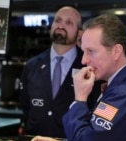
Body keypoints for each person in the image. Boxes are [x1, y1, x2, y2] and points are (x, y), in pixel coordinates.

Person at [61, 14, 126, 140]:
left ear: (116, 51)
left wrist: (80, 99)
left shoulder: (124, 94)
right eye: (83, 51)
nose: (84, 60)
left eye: (91, 51)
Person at [19, 6, 103, 139]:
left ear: (80, 33)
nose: (61, 25)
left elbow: (95, 112)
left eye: (69, 22)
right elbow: (25, 107)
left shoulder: (89, 67)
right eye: (57, 20)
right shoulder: (32, 65)